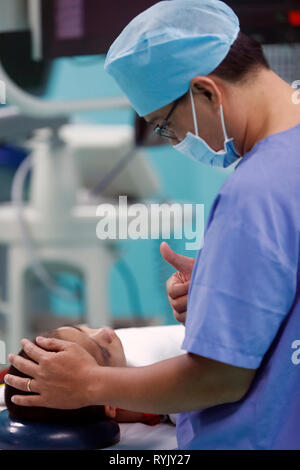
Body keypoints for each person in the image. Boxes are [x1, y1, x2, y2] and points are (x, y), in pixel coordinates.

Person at [4, 0, 300, 449]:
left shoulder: (255, 192)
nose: (175, 140)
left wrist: (90, 384)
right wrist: (230, 286)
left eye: (164, 125)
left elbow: (220, 379)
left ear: (206, 92)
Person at [4, 325, 169, 426]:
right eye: (103, 352)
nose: (105, 331)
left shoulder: (24, 384)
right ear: (109, 403)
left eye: (80, 328)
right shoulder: (166, 379)